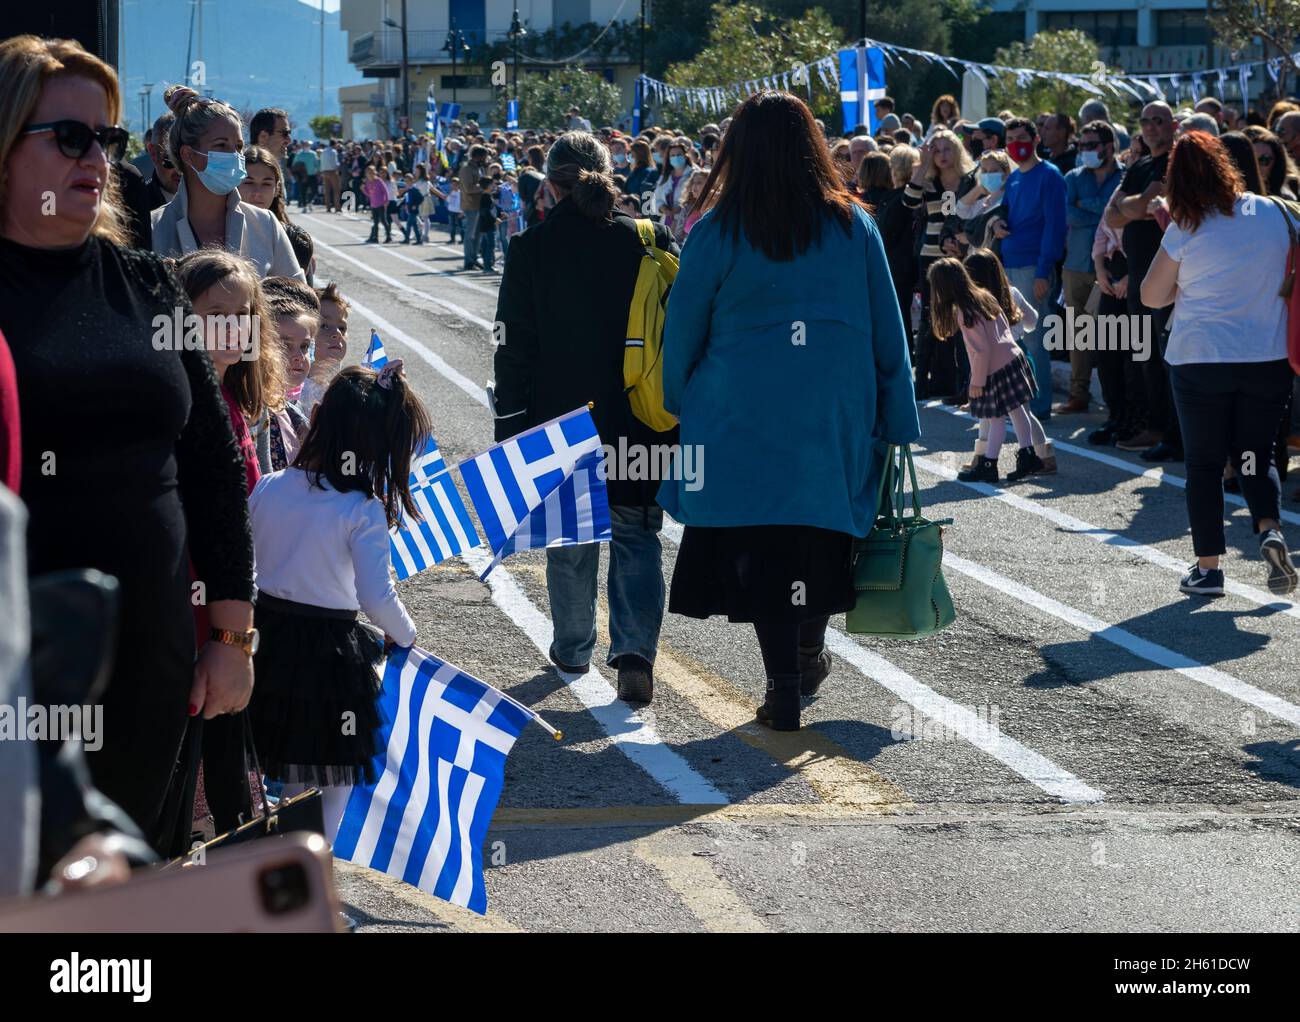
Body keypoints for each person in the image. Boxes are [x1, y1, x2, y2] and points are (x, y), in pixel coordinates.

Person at [0, 35, 255, 847]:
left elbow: (213, 469)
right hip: (21, 669)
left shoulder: (148, 282)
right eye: (69, 136)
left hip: (155, 660)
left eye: (105, 138)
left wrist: (229, 637)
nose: (97, 158)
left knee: (133, 885)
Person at [660, 92, 919, 731]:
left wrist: (675, 401)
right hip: (833, 410)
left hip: (738, 410)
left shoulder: (716, 230)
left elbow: (683, 330)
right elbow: (890, 328)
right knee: (819, 530)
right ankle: (807, 651)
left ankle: (783, 684)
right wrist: (899, 415)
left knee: (764, 545)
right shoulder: (854, 225)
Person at [493, 132, 679, 703]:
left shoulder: (530, 249)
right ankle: (634, 656)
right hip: (641, 415)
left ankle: (573, 649)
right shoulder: (649, 239)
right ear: (611, 175)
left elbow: (512, 347)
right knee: (636, 533)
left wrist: (510, 427)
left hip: (560, 420)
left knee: (571, 539)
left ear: (548, 185)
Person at [248, 362, 428, 840]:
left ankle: (279, 869)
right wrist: (406, 634)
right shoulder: (360, 509)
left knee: (282, 769)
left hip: (266, 640)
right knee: (329, 780)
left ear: (322, 417)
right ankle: (307, 879)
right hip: (327, 652)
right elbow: (376, 596)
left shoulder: (269, 486)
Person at [1139, 131, 1298, 597]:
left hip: (1201, 358)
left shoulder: (1185, 225)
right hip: (1266, 357)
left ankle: (1208, 568)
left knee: (1205, 464)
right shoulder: (1276, 213)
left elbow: (1151, 296)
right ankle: (1269, 525)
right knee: (1254, 453)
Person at [152, 87, 304, 281]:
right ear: (188, 154)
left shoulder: (266, 224)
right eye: (221, 145)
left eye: (238, 147)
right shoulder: (153, 228)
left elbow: (299, 300)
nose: (234, 155)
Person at [1105, 101, 1180, 461]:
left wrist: (1130, 206)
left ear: (1173, 125)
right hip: (1137, 276)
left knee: (1166, 356)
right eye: (1145, 121)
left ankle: (1173, 432)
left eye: (1158, 121)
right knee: (1143, 354)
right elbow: (1113, 217)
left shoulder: (1175, 163)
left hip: (1165, 277)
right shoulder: (1141, 166)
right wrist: (1134, 206)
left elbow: (1141, 206)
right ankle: (1151, 425)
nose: (1150, 127)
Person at [930, 258, 1048, 483]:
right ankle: (1028, 455)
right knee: (1018, 412)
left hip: (994, 369)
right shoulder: (984, 296)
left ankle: (989, 464)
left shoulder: (966, 313)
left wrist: (976, 382)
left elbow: (981, 351)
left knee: (995, 419)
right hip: (1013, 358)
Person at [992, 117, 1066, 421]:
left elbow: (1055, 227)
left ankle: (1039, 405)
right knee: (1012, 339)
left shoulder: (1050, 176)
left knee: (1035, 340)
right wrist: (996, 224)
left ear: (1036, 139)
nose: (1015, 144)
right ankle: (1019, 401)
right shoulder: (1013, 178)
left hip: (1033, 266)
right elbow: (1004, 212)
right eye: (1010, 138)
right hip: (1008, 264)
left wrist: (1042, 271)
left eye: (1022, 137)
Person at [960, 248, 1052, 472]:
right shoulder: (1011, 292)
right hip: (1016, 352)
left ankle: (985, 457)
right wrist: (1018, 327)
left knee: (996, 414)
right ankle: (1043, 455)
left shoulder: (977, 303)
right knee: (1016, 412)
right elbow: (1033, 321)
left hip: (999, 359)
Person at [903, 128, 977, 399]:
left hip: (963, 257)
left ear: (957, 151)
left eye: (947, 149)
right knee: (929, 319)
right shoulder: (929, 182)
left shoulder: (970, 180)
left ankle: (963, 385)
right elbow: (909, 201)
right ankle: (921, 382)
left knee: (963, 319)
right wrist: (922, 166)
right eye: (937, 150)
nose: (942, 155)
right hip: (931, 256)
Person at [1055, 120, 1123, 415]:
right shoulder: (1072, 177)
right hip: (1075, 265)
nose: (1084, 151)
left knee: (1110, 333)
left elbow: (1118, 216)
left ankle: (1116, 399)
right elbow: (1067, 213)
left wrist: (1089, 206)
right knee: (1078, 333)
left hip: (1111, 267)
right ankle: (1078, 394)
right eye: (1081, 146)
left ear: (1108, 147)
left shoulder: (1125, 177)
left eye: (1091, 145)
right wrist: (1102, 210)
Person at [239, 145, 314, 281]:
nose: (257, 192)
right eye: (248, 183)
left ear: (277, 188)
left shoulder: (291, 237)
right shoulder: (220, 225)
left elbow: (300, 293)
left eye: (266, 184)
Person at [652, 138, 694, 238]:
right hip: (665, 221)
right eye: (673, 155)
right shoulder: (665, 176)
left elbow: (697, 197)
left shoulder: (693, 174)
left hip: (685, 222)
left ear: (686, 156)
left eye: (679, 155)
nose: (676, 158)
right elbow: (655, 198)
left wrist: (680, 208)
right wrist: (663, 208)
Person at [143, 110, 180, 210]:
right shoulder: (136, 207)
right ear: (153, 152)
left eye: (188, 158)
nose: (180, 170)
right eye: (171, 159)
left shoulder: (213, 203)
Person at [459, 143, 488, 269]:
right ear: (477, 156)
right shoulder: (467, 168)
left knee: (477, 235)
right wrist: (485, 188)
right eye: (484, 157)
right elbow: (468, 188)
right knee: (470, 235)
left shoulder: (478, 167)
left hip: (479, 204)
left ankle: (474, 258)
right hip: (471, 205)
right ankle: (468, 261)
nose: (485, 159)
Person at [361, 165, 391, 243]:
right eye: (368, 173)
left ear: (375, 173)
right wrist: (363, 190)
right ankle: (375, 237)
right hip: (373, 204)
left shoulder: (379, 181)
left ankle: (388, 236)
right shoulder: (368, 182)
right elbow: (369, 194)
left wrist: (386, 200)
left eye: (372, 173)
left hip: (381, 204)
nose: (370, 175)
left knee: (384, 221)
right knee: (375, 222)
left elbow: (385, 191)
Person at [319, 138, 341, 212]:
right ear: (334, 144)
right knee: (336, 190)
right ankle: (337, 207)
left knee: (327, 190)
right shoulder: (333, 151)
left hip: (324, 172)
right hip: (332, 171)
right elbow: (335, 163)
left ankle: (328, 207)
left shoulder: (323, 151)